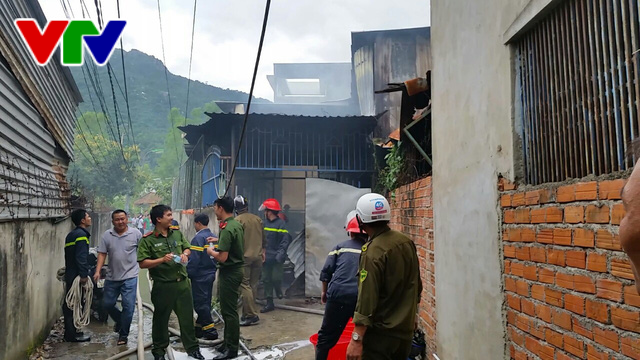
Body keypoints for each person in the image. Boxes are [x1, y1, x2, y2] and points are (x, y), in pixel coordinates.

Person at [346, 193, 422, 360]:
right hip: (404, 333)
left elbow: (367, 298)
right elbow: (416, 284)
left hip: (381, 338)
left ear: (361, 220)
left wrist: (356, 339)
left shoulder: (373, 252)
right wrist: (413, 316)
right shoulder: (405, 242)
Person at [137, 205, 204, 360]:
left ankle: (193, 349)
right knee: (161, 320)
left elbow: (187, 248)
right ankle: (159, 352)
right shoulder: (148, 240)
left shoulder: (177, 234)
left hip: (182, 284)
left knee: (187, 318)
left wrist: (185, 254)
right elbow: (142, 263)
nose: (171, 217)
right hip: (163, 286)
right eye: (168, 215)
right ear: (159, 219)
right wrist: (161, 259)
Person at [316, 212, 368, 360]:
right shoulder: (371, 249)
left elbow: (326, 272)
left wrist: (324, 293)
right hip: (361, 298)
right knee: (365, 338)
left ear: (350, 231)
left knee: (325, 339)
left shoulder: (339, 247)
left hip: (337, 295)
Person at [93, 210, 142, 345]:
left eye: (122, 219)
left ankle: (123, 335)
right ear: (112, 221)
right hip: (112, 276)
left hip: (130, 275)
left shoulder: (136, 234)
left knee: (129, 306)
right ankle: (120, 320)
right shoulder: (107, 235)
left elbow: (143, 250)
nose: (120, 222)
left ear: (127, 219)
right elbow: (102, 254)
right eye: (117, 219)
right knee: (107, 304)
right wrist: (97, 271)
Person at [206, 196, 245, 359]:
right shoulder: (234, 224)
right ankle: (227, 343)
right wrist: (218, 240)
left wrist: (211, 252)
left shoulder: (228, 228)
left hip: (230, 271)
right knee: (227, 309)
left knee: (229, 312)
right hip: (234, 270)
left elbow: (222, 257)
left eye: (215, 208)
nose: (214, 211)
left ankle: (232, 349)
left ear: (220, 208)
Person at [234, 195, 265, 326]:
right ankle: (248, 313)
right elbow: (264, 238)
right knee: (253, 285)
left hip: (244, 258)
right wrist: (263, 251)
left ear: (236, 208)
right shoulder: (258, 219)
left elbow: (234, 241)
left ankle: (251, 315)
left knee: (244, 286)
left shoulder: (237, 221)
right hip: (258, 257)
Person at [187, 213, 218, 340]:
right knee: (206, 301)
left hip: (200, 275)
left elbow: (194, 260)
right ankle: (198, 330)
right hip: (211, 273)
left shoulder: (198, 239)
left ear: (198, 223)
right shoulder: (213, 236)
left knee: (200, 303)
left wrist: (188, 272)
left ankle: (210, 330)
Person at [63, 209, 92, 342]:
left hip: (70, 273)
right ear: (82, 220)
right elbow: (81, 257)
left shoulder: (72, 234)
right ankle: (71, 335)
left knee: (73, 303)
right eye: (88, 216)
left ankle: (72, 331)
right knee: (73, 304)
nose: (90, 218)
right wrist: (84, 275)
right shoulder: (81, 235)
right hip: (76, 275)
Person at [259, 198, 292, 313]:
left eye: (266, 211)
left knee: (276, 278)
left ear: (270, 212)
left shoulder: (281, 224)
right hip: (266, 256)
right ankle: (269, 302)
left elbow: (285, 241)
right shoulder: (264, 223)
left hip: (277, 257)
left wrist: (280, 254)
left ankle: (278, 290)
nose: (264, 213)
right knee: (266, 279)